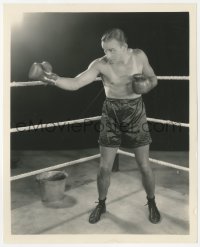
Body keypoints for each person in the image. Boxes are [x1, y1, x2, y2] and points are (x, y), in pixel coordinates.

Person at [29, 28, 161, 224]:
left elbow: (153, 78)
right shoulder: (100, 64)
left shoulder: (139, 56)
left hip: (136, 112)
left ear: (124, 47)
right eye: (104, 50)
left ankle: (151, 203)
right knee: (104, 168)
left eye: (111, 50)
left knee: (144, 165)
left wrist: (147, 85)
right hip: (112, 113)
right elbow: (76, 83)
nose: (107, 55)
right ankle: (101, 204)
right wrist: (51, 78)